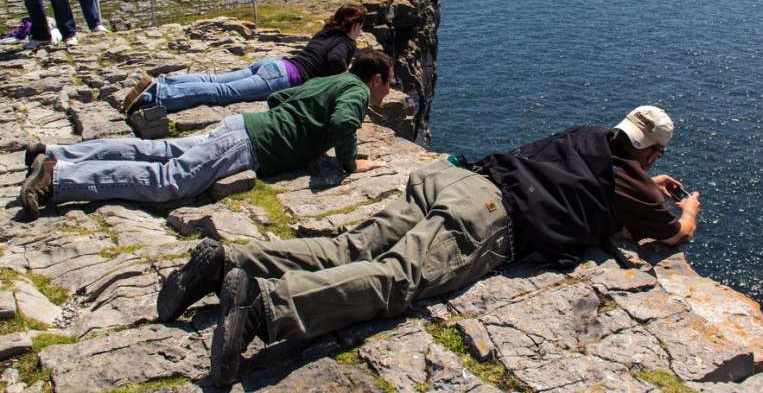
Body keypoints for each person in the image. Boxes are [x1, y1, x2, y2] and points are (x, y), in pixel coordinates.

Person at [156, 105, 702, 386]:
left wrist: (646, 185)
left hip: (457, 181)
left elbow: (587, 174)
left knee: (350, 245)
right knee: (398, 278)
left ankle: (229, 262)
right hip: (488, 218)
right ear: (652, 154)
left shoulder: (586, 136)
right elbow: (673, 234)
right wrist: (688, 206)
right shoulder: (631, 182)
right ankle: (261, 308)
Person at [19, 50, 395, 220]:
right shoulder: (358, 91)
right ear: (375, 78)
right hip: (250, 145)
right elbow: (344, 123)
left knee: (159, 151)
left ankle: (56, 152)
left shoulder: (334, 78)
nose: (388, 93)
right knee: (169, 182)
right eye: (388, 85)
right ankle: (59, 179)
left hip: (240, 126)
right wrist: (350, 162)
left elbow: (280, 96)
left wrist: (301, 132)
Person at [121, 3, 367, 115]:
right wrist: (345, 77)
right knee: (223, 92)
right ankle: (158, 96)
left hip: (276, 63)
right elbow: (335, 60)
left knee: (214, 79)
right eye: (361, 25)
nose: (362, 30)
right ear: (354, 25)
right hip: (284, 79)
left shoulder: (326, 31)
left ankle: (163, 83)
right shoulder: (346, 42)